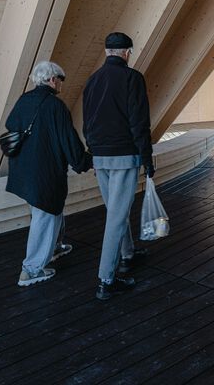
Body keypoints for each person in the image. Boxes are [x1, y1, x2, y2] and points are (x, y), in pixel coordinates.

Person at [5, 60, 91, 287]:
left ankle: (54, 247)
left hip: (24, 172)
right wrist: (83, 162)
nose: (61, 84)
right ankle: (31, 270)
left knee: (49, 211)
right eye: (61, 80)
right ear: (53, 80)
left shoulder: (24, 100)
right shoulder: (55, 106)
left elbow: (11, 124)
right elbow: (68, 140)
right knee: (45, 216)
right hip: (45, 174)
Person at [82, 31, 155, 300]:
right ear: (127, 53)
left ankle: (127, 253)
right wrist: (146, 157)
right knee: (115, 216)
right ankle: (106, 279)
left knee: (115, 209)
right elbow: (139, 121)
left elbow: (86, 122)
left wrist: (93, 149)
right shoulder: (132, 78)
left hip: (99, 155)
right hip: (124, 155)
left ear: (106, 52)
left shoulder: (92, 81)